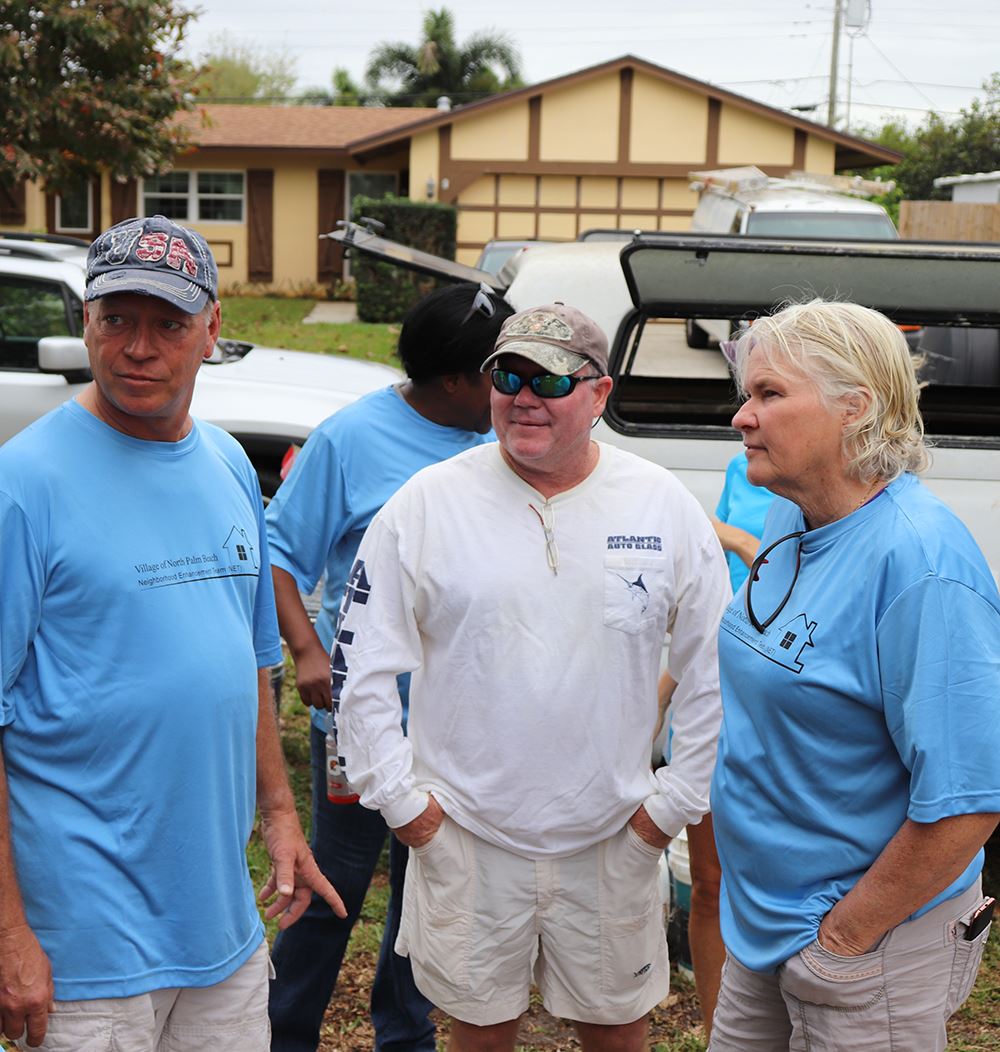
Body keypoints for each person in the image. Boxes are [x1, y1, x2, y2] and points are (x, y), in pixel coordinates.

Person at [336, 303, 731, 1052]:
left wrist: (671, 806)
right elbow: (361, 662)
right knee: (478, 1033)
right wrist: (405, 808)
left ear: (599, 394)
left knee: (617, 1031)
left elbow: (715, 670)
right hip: (467, 838)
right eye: (507, 375)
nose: (525, 395)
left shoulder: (662, 505)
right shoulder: (426, 504)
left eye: (550, 378)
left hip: (613, 837)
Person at [0, 215, 344, 1052]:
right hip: (83, 947)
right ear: (86, 320)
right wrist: (10, 936)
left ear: (213, 328)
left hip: (219, 927)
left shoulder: (228, 464)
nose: (138, 348)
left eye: (167, 323)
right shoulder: (24, 485)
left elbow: (252, 661)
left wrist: (279, 817)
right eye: (116, 318)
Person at [708, 299, 1000, 1051]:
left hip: (860, 945)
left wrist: (843, 941)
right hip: (763, 924)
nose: (743, 416)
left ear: (854, 408)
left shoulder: (922, 565)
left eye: (769, 395)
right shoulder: (791, 515)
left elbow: (970, 801)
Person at [264, 282, 514, 1052]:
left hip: (459, 729)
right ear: (453, 381)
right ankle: (283, 1033)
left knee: (431, 894)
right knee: (332, 886)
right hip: (362, 726)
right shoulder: (351, 440)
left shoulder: (503, 437)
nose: (511, 389)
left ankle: (403, 1035)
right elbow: (276, 554)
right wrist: (308, 652)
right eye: (496, 373)